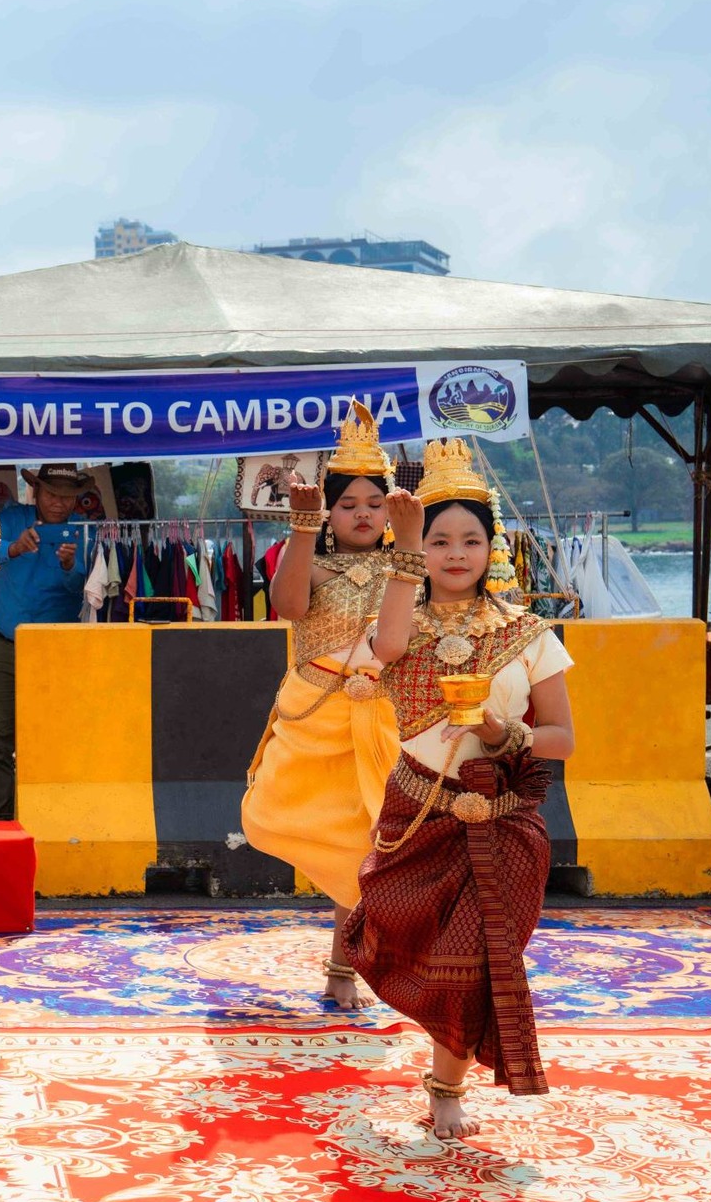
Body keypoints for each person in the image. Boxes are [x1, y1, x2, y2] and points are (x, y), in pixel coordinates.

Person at [345, 438, 577, 1141]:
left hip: (504, 819)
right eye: (439, 540)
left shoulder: (529, 634)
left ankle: (446, 1086)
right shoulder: (402, 625)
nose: (455, 553)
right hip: (417, 813)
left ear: (491, 547)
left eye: (469, 540)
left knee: (474, 959)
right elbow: (384, 650)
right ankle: (439, 1058)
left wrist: (505, 730)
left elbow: (562, 738)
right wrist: (402, 551)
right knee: (406, 944)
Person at [241, 403, 403, 1008]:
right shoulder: (311, 560)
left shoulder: (406, 566)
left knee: (368, 841)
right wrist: (303, 529)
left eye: (375, 503)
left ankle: (344, 966)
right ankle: (353, 957)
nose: (363, 514)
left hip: (385, 714)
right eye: (348, 504)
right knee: (283, 820)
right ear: (328, 512)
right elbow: (286, 607)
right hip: (316, 714)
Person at [0, 464, 90, 820]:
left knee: (52, 736)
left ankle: (49, 817)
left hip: (58, 649)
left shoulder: (84, 532)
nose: (59, 503)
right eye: (52, 494)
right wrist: (13, 548)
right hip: (4, 643)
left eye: (67, 497)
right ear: (36, 492)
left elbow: (90, 591)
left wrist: (71, 566)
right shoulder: (12, 518)